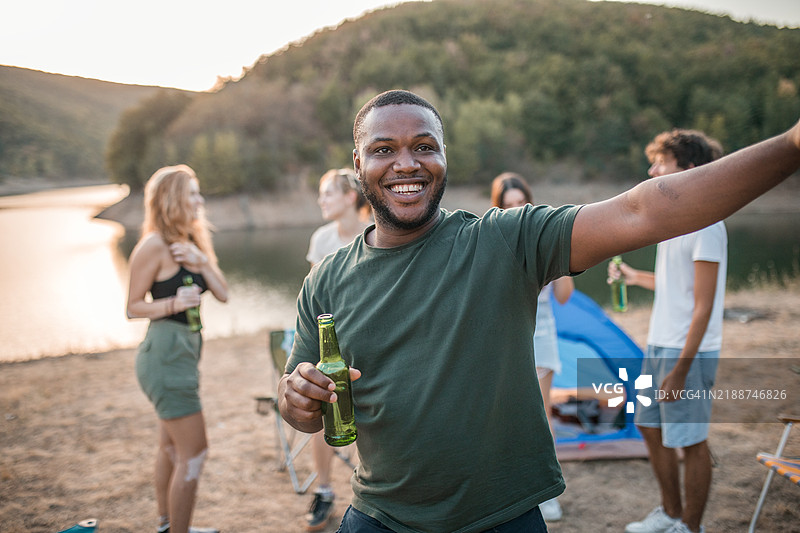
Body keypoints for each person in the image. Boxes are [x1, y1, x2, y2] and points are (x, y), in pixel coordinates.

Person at [278, 89, 800, 533]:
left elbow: (644, 210)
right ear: (358, 165)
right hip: (380, 516)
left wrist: (791, 145)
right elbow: (297, 402)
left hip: (503, 517)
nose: (407, 163)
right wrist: (297, 398)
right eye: (383, 149)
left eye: (424, 146)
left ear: (444, 157)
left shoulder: (504, 240)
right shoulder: (326, 280)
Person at [608, 130, 726, 533]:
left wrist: (681, 369)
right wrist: (633, 276)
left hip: (686, 353)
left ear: (688, 169)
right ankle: (670, 513)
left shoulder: (708, 224)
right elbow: (675, 284)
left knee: (690, 439)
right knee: (648, 424)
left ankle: (691, 526)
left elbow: (704, 305)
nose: (652, 170)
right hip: (658, 345)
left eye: (661, 163)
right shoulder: (675, 222)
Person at [127, 165, 229, 533]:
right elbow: (132, 308)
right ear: (173, 199)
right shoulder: (153, 245)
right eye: (192, 194)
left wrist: (201, 261)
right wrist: (173, 303)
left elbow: (223, 293)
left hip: (183, 357)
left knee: (171, 449)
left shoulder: (192, 241)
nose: (200, 201)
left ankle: (167, 525)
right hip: (164, 360)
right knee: (195, 453)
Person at [491, 172, 574, 522]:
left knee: (541, 414)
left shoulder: (545, 240)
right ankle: (512, 488)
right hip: (507, 341)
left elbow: (564, 296)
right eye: (508, 205)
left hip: (541, 336)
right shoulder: (493, 241)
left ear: (530, 203)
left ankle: (548, 493)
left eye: (521, 202)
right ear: (499, 208)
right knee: (505, 416)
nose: (516, 210)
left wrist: (557, 256)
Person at [304, 168, 371, 531]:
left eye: (328, 193)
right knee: (322, 410)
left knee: (370, 412)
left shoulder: (374, 233)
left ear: (350, 196)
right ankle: (325, 490)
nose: (322, 200)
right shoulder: (322, 239)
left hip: (368, 341)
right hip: (330, 345)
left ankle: (371, 493)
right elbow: (314, 299)